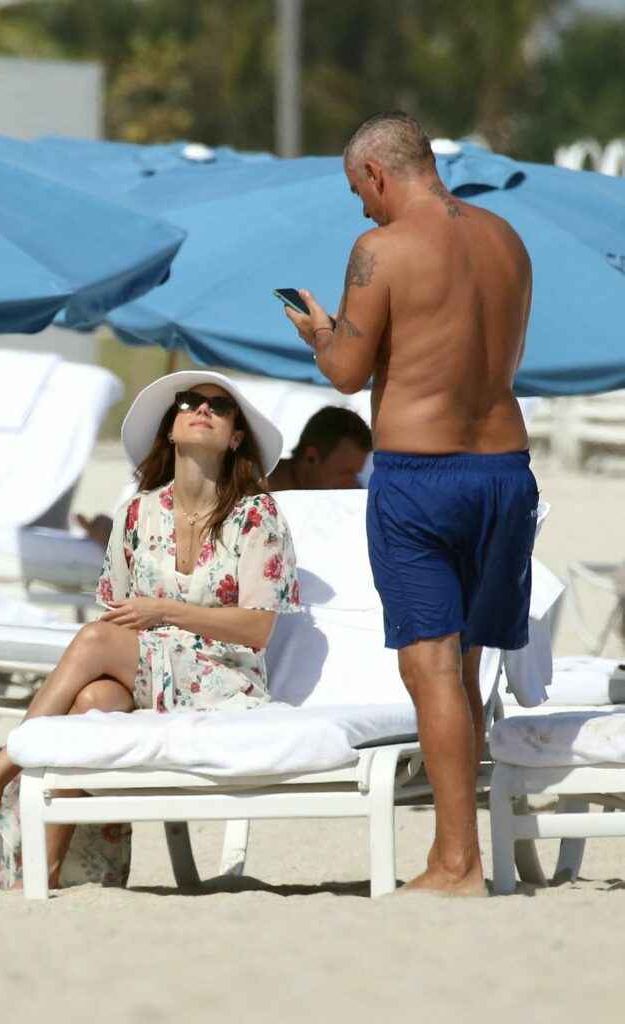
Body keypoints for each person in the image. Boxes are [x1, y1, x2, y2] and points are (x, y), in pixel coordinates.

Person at [0, 371, 301, 887]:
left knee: (95, 641)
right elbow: (119, 614)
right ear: (170, 430)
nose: (202, 410)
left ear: (235, 438)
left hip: (222, 679)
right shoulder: (137, 513)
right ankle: (45, 872)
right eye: (189, 402)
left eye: (219, 407)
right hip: (148, 674)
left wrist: (164, 611)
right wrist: (144, 624)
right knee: (92, 701)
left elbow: (257, 629)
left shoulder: (257, 514)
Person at [284, 110, 538, 897]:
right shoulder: (507, 240)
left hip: (422, 476)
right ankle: (461, 852)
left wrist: (320, 333)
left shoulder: (382, 248)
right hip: (505, 472)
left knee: (428, 666)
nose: (362, 208)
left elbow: (347, 373)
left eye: (358, 191)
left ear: (375, 172)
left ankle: (457, 864)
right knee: (465, 667)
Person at [77, 404, 372, 547]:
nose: (354, 485)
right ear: (311, 457)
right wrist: (109, 532)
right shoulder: (242, 485)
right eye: (345, 473)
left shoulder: (341, 505)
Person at [268, 405, 371, 490]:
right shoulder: (260, 490)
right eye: (346, 473)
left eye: (355, 475)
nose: (352, 484)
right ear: (311, 457)